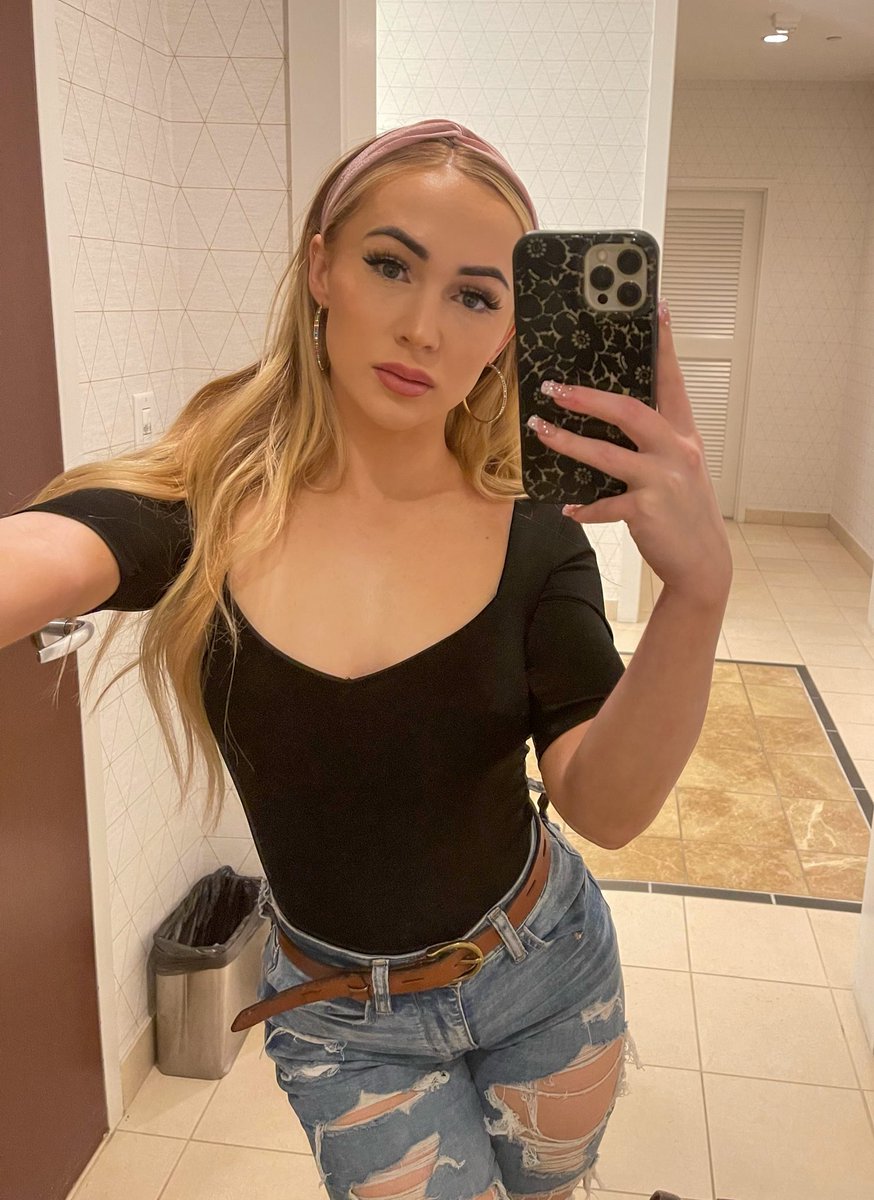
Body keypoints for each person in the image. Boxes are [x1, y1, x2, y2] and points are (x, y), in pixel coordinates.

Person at [2, 119, 732, 1200]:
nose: (422, 328)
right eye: (391, 265)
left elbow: (608, 808)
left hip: (545, 967)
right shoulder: (201, 516)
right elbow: (46, 554)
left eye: (475, 296)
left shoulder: (535, 535)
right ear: (321, 269)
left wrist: (697, 594)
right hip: (341, 1022)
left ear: (508, 332)